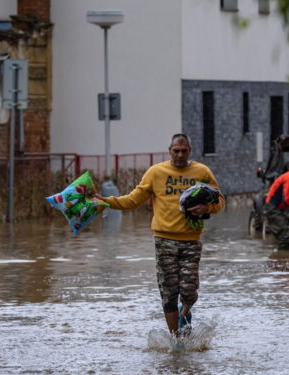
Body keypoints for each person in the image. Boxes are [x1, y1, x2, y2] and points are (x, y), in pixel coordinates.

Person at [94, 134, 225, 338]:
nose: (180, 155)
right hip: (164, 241)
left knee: (190, 292)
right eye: (176, 151)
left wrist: (207, 206)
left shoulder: (202, 172)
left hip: (191, 240)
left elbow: (220, 201)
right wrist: (107, 201)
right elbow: (132, 200)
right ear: (169, 150)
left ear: (189, 150)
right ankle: (176, 340)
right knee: (169, 293)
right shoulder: (156, 172)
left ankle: (185, 313)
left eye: (184, 151)